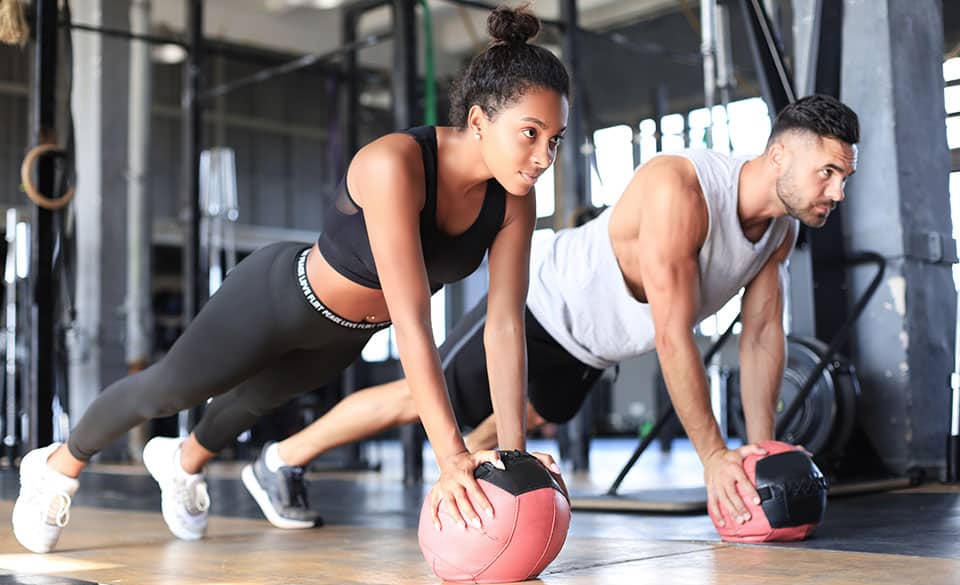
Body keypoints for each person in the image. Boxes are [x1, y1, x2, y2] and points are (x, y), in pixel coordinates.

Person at [12, 5, 570, 554]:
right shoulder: (394, 164)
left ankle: (180, 463)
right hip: (279, 296)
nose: (544, 156)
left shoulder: (513, 200)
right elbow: (413, 319)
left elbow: (503, 326)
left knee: (256, 402)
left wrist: (514, 457)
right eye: (530, 132)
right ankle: (56, 468)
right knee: (170, 390)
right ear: (478, 120)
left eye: (555, 139)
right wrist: (450, 459)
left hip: (346, 332)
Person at [242, 95, 859, 532]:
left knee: (501, 447)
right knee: (416, 399)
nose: (836, 192)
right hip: (540, 307)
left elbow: (760, 339)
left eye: (844, 177)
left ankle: (469, 516)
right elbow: (674, 335)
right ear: (778, 156)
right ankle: (281, 460)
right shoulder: (684, 189)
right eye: (826, 172)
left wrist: (755, 450)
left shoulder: (780, 233)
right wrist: (713, 459)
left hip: (594, 350)